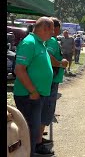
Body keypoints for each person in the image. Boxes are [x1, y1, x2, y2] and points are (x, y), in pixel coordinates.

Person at [13, 17, 54, 156]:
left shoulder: (40, 43)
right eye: (52, 30)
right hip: (28, 96)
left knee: (34, 129)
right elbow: (19, 70)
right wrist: (33, 91)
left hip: (35, 95)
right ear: (44, 28)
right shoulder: (29, 43)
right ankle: (28, 154)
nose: (53, 33)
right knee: (29, 129)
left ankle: (31, 152)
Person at [36, 17, 69, 155]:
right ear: (53, 28)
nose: (57, 31)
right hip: (51, 81)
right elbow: (48, 56)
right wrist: (61, 63)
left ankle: (37, 138)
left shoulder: (46, 40)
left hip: (49, 80)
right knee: (46, 110)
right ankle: (37, 143)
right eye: (57, 29)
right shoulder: (52, 40)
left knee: (43, 109)